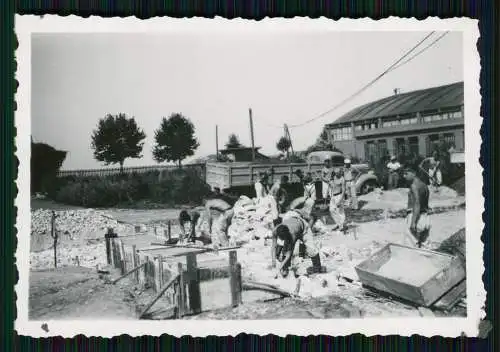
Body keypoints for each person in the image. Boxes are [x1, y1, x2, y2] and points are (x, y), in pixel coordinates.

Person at [270, 210, 323, 278]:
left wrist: (280, 266)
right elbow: (273, 247)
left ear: (286, 235)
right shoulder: (275, 231)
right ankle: (285, 270)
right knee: (283, 248)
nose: (282, 239)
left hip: (303, 228)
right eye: (280, 237)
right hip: (291, 219)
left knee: (311, 250)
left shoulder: (292, 234)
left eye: (283, 238)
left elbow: (289, 254)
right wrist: (273, 262)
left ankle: (317, 268)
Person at [402, 167, 431, 248]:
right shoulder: (424, 185)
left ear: (414, 173)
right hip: (425, 216)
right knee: (425, 245)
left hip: (415, 216)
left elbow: (417, 203)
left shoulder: (414, 186)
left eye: (406, 173)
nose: (404, 176)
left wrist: (413, 222)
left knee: (411, 244)